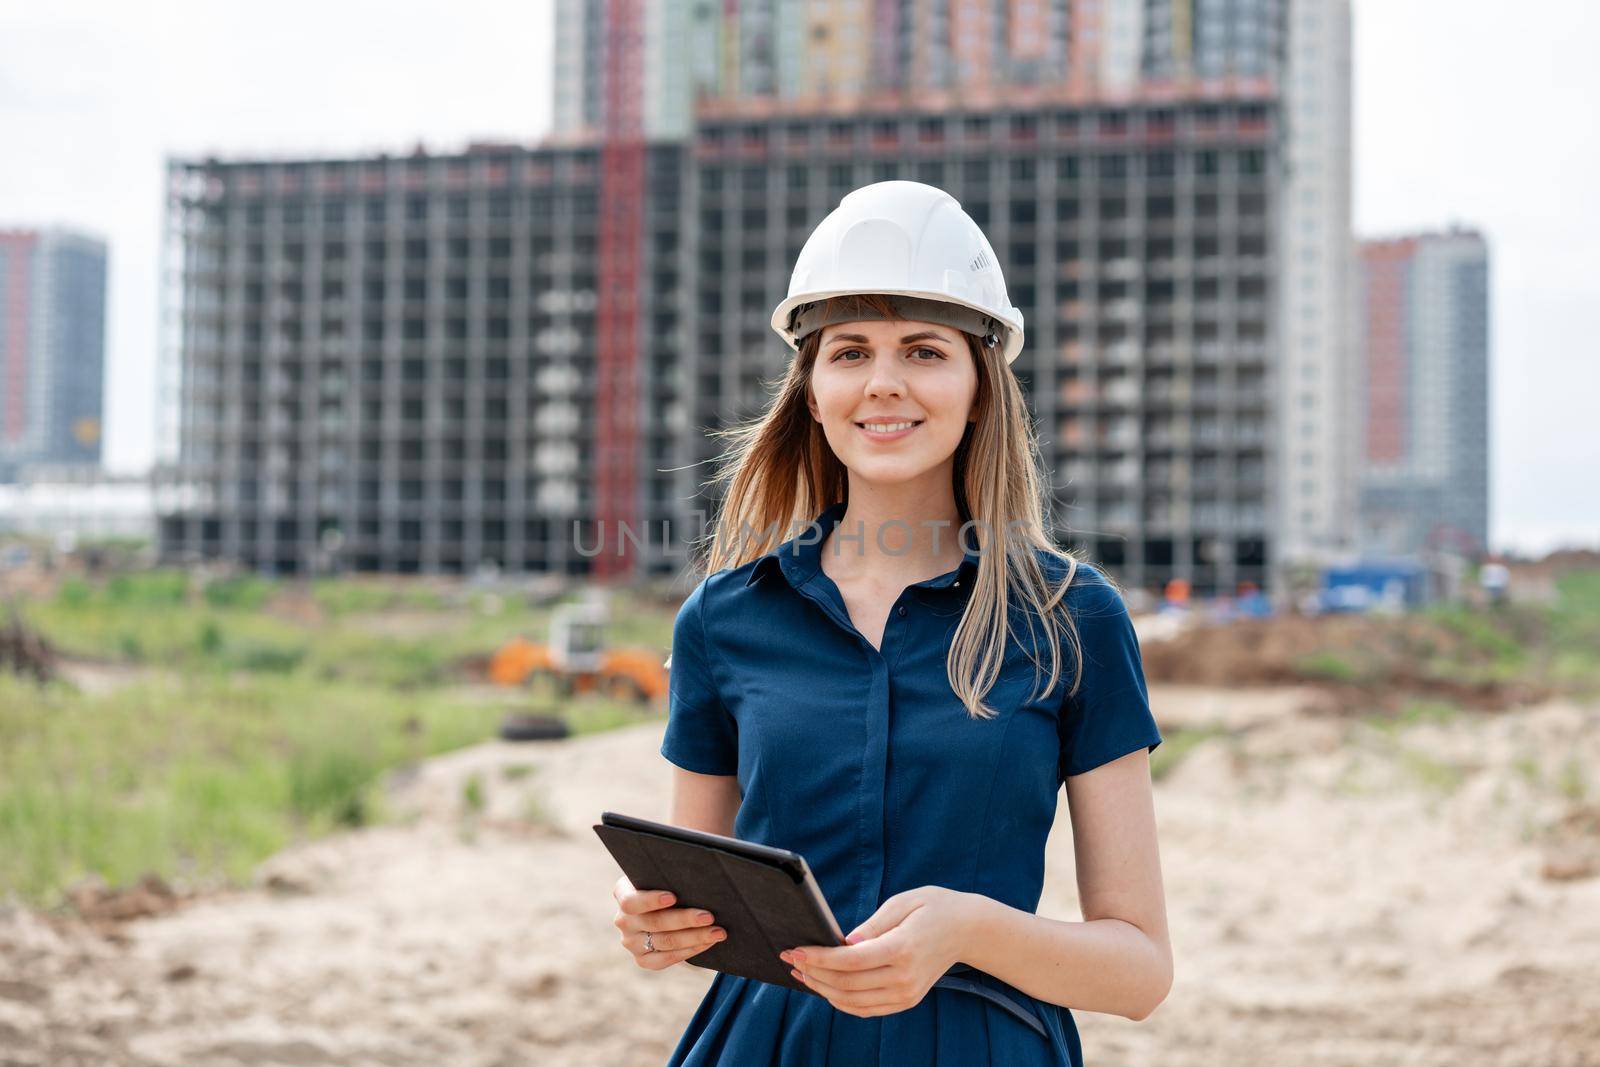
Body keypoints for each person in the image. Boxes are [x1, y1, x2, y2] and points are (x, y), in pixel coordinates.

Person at [610, 180, 1171, 1065]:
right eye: (849, 352)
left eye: (923, 350)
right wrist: (659, 930)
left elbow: (1138, 970)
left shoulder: (1074, 619)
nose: (883, 383)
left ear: (980, 383)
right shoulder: (721, 621)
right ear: (811, 388)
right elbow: (709, 913)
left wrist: (967, 928)